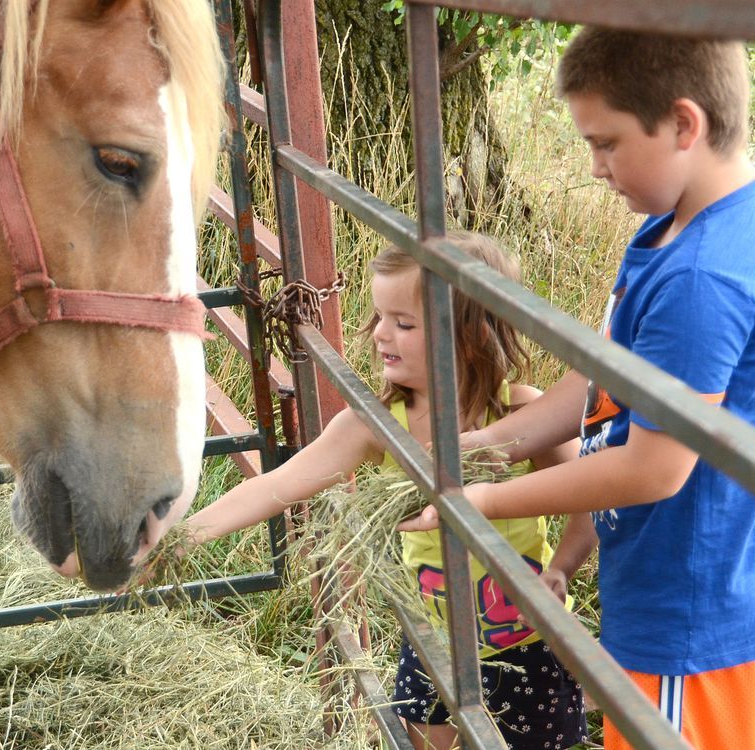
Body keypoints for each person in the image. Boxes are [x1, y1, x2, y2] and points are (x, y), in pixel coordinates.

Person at [400, 29, 755, 750]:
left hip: (691, 614)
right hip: (660, 582)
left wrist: (485, 502)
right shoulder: (668, 228)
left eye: (608, 143)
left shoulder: (700, 277)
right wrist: (492, 445)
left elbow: (656, 469)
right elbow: (603, 375)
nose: (594, 167)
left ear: (686, 124)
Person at [183, 233, 589, 750]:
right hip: (432, 637)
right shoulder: (375, 425)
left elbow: (587, 501)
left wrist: (563, 569)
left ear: (469, 335)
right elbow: (280, 485)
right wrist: (183, 536)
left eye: (403, 323)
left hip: (531, 642)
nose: (379, 334)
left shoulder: (522, 415)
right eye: (378, 317)